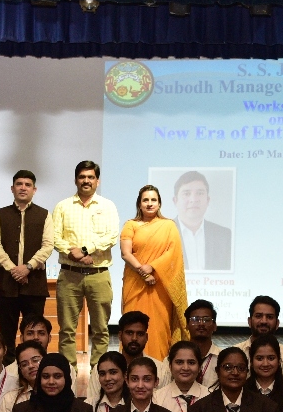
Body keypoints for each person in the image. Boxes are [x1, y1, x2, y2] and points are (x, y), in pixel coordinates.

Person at [47, 159, 121, 371]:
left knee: (101, 329)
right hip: (69, 275)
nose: (86, 181)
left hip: (99, 274)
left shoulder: (107, 206)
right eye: (82, 177)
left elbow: (112, 236)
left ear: (97, 181)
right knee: (67, 330)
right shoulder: (63, 206)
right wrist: (77, 256)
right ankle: (68, 375)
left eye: (90, 177)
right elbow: (55, 237)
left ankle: (100, 375)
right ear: (75, 180)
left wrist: (86, 250)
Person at [119, 184, 188, 363]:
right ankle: (129, 369)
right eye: (145, 200)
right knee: (132, 328)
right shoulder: (131, 225)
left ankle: (160, 370)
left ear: (159, 203)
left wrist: (153, 267)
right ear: (139, 204)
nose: (149, 203)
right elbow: (126, 253)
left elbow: (173, 253)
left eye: (153, 200)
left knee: (159, 329)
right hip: (135, 284)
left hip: (160, 286)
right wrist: (143, 272)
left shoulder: (169, 225)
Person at [0, 170, 53, 351]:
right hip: (6, 285)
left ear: (34, 190)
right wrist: (15, 270)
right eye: (19, 184)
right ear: (12, 188)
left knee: (34, 333)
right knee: (6, 335)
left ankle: (36, 365)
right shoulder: (0, 214)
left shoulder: (44, 215)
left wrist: (28, 267)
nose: (23, 188)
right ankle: (9, 366)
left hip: (34, 285)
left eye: (27, 185)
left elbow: (48, 245)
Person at [172, 170, 231, 271]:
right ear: (175, 201)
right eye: (186, 194)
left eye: (200, 193)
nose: (193, 199)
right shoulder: (160, 236)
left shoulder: (225, 236)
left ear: (207, 200)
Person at [184, 300, 220, 385]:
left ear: (214, 326)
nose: (201, 324)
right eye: (195, 319)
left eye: (206, 320)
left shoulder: (222, 358)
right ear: (187, 325)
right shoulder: (174, 358)